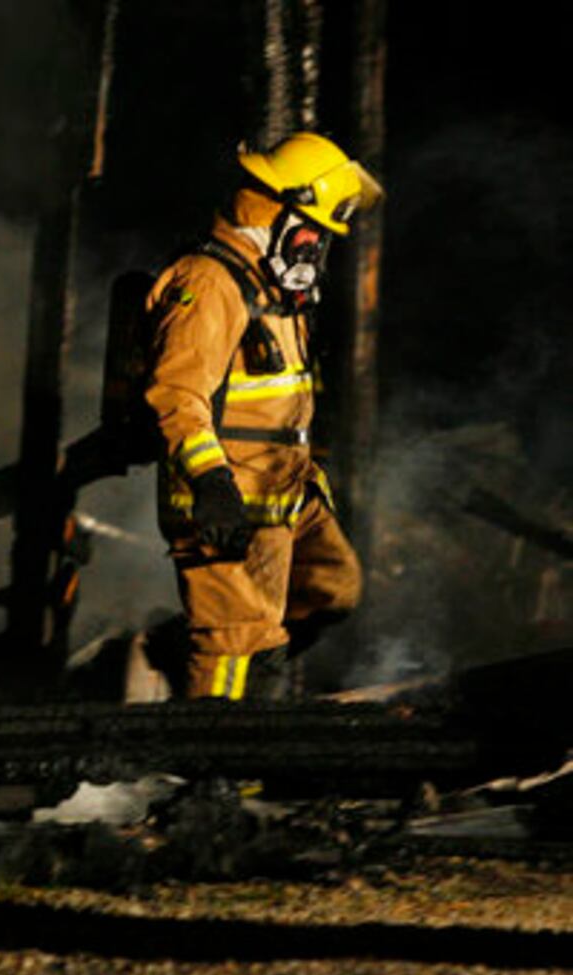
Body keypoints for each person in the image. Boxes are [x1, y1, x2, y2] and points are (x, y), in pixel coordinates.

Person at [144, 132, 383, 701]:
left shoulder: (271, 291)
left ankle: (209, 659)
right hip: (224, 501)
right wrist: (211, 481)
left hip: (280, 497)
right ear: (276, 213)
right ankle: (214, 775)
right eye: (313, 233)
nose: (316, 250)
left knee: (333, 588)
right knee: (237, 643)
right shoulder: (208, 283)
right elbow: (176, 392)